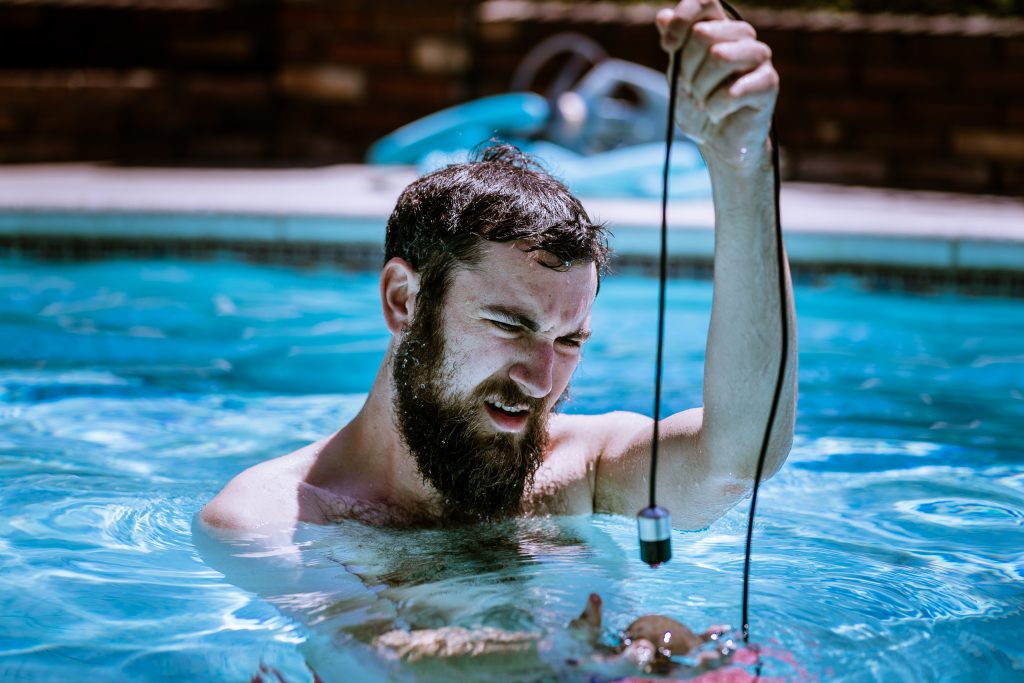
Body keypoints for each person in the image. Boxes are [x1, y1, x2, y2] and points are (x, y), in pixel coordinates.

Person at [201, 0, 796, 535]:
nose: (542, 381)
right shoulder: (271, 521)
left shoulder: (581, 472)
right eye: (509, 325)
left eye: (569, 340)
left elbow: (744, 452)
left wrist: (744, 166)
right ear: (404, 300)